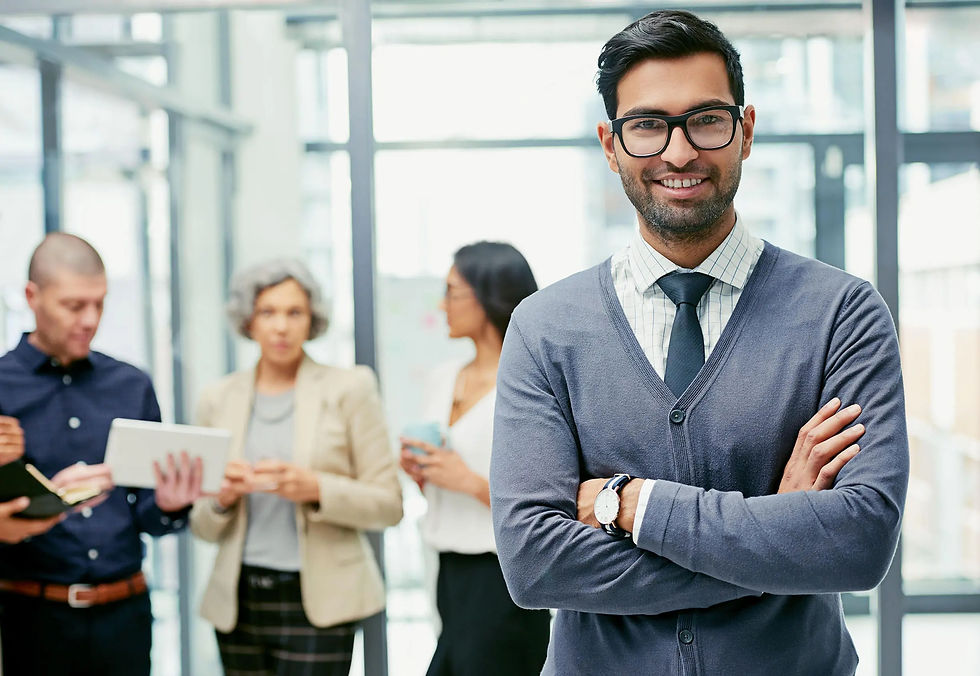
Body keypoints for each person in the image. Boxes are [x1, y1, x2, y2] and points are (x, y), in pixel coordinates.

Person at [490, 10, 908, 676]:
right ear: (610, 144)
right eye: (648, 125)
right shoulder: (546, 327)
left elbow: (858, 543)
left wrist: (629, 502)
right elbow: (536, 564)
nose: (679, 152)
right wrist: (776, 534)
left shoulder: (842, 312)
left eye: (706, 120)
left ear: (745, 131)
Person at [0, 233, 203, 676]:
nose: (90, 319)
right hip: (31, 618)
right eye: (74, 305)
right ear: (32, 297)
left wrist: (170, 504)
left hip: (125, 614)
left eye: (99, 303)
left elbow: (149, 516)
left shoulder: (132, 386)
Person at [190, 258, 403, 676]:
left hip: (323, 600)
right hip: (238, 601)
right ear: (248, 320)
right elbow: (201, 525)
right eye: (267, 312)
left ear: (313, 319)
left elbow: (389, 504)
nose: (281, 327)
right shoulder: (217, 398)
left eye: (294, 312)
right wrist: (223, 501)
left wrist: (316, 488)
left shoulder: (350, 388)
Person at [400, 242, 549, 676]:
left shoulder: (533, 382)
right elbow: (438, 477)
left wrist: (464, 480)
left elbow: (550, 499)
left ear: (487, 296)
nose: (442, 305)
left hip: (503, 573)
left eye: (451, 292)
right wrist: (420, 472)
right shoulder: (442, 378)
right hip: (447, 566)